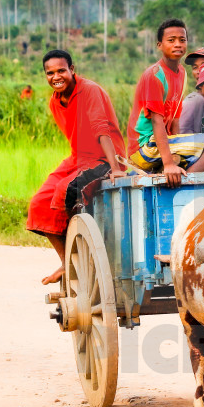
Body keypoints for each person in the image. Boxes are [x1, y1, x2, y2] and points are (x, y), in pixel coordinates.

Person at [28, 49, 128, 285]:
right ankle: (67, 263)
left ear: (72, 70)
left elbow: (101, 129)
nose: (56, 76)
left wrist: (115, 167)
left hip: (104, 156)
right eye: (50, 73)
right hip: (78, 157)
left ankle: (86, 253)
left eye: (61, 70)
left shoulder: (89, 90)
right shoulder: (55, 101)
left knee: (67, 190)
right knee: (39, 204)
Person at [126, 19, 204, 187]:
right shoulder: (155, 75)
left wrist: (179, 155)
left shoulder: (181, 72)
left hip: (163, 142)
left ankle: (183, 176)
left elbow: (175, 118)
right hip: (145, 146)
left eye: (182, 40)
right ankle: (184, 187)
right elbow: (157, 120)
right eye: (171, 40)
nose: (178, 44)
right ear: (160, 45)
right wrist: (168, 164)